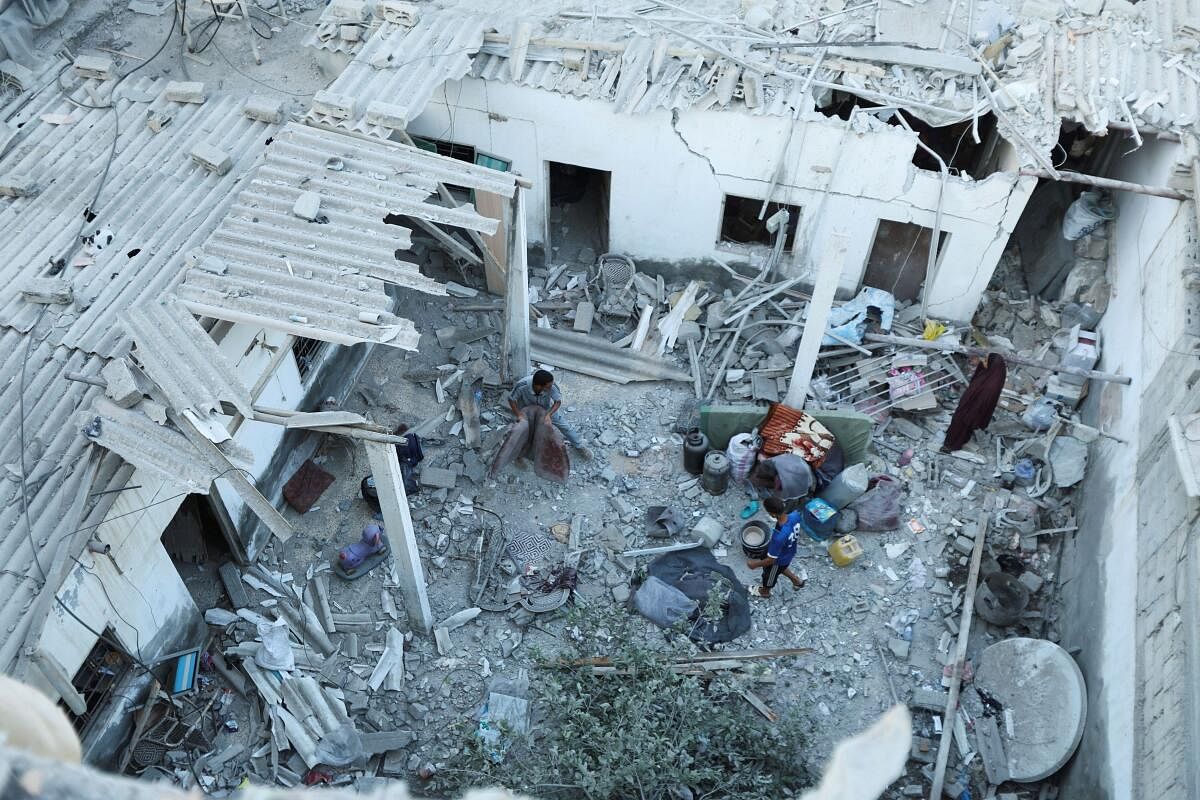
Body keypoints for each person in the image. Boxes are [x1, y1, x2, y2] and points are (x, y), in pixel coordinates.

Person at [508, 369, 592, 459]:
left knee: (564, 426)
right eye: (548, 387)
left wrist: (548, 414)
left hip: (546, 409)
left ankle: (579, 445)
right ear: (538, 385)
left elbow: (557, 401)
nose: (551, 387)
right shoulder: (522, 385)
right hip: (527, 410)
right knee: (524, 430)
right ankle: (521, 451)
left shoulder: (551, 385)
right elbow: (511, 399)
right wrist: (519, 414)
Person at [942, 353, 1007, 453]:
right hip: (970, 406)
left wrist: (969, 415)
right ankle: (954, 439)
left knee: (961, 425)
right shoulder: (990, 375)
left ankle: (951, 446)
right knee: (960, 425)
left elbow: (981, 403)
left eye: (986, 361)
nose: (983, 362)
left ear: (992, 365)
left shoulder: (991, 385)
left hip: (972, 410)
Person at [746, 497, 806, 598]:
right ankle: (797, 581)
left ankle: (764, 592)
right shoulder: (795, 516)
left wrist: (755, 564)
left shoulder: (778, 537)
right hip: (789, 550)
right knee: (780, 568)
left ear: (773, 514)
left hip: (778, 560)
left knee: (769, 576)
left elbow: (771, 560)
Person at [750, 453, 814, 509]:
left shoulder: (788, 485)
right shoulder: (781, 465)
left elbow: (778, 490)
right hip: (794, 470)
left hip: (796, 480)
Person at [394, 423, 424, 494]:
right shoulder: (410, 436)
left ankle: (411, 487)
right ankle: (411, 487)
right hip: (409, 452)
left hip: (407, 454)